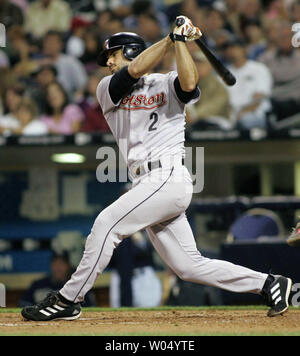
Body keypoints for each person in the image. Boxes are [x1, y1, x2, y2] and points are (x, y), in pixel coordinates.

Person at [21, 16, 292, 322]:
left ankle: (68, 299)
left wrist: (180, 43)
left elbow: (189, 84)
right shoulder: (107, 87)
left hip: (167, 176)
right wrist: (170, 38)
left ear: (132, 51)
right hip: (147, 183)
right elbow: (134, 71)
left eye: (114, 54)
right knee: (189, 266)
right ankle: (269, 284)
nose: (108, 61)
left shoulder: (165, 81)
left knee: (107, 224)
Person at [223, 37, 273, 129]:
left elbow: (259, 97)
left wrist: (242, 112)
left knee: (246, 121)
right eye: (228, 48)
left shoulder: (259, 69)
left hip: (255, 113)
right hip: (231, 115)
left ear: (244, 49)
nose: (231, 51)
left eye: (234, 47)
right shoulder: (223, 73)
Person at [19, 253, 96, 307]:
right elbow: (23, 305)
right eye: (55, 264)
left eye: (62, 264)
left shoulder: (76, 286)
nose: (58, 268)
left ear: (68, 266)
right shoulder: (38, 285)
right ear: (51, 265)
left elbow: (90, 307)